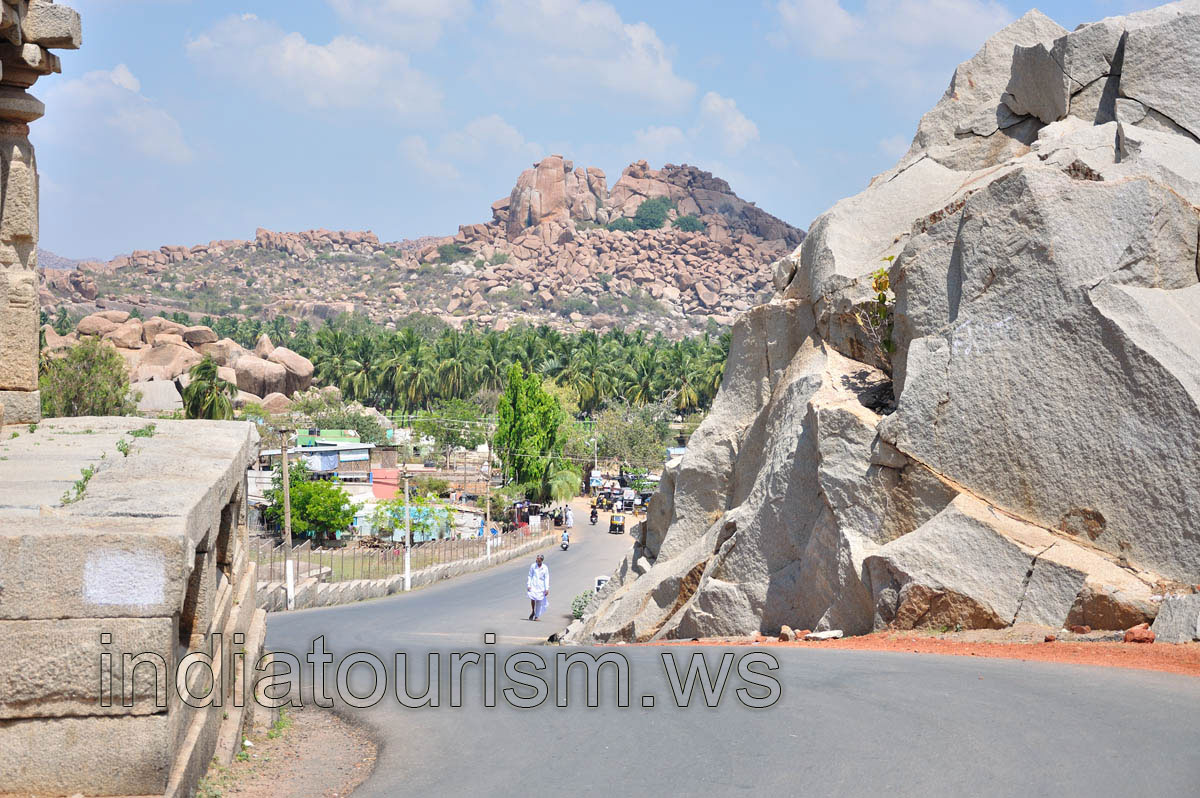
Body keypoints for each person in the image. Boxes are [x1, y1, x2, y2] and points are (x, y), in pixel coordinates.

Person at [527, 554, 550, 620]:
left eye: (539, 560)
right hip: (533, 585)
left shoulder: (545, 568)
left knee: (539, 601)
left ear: (541, 561)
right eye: (537, 560)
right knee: (533, 598)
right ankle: (533, 611)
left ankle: (536, 616)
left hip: (541, 586)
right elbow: (530, 575)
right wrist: (529, 585)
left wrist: (547, 589)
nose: (537, 561)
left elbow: (546, 578)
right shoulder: (533, 566)